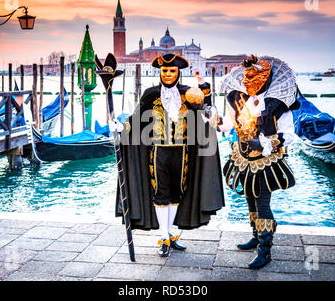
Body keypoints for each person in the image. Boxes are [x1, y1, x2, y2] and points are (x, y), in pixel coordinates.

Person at [109, 53, 224, 257]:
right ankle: (163, 237)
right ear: (160, 72)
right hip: (157, 152)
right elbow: (137, 120)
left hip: (182, 152)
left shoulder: (188, 93)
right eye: (165, 71)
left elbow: (203, 109)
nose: (169, 74)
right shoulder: (150, 94)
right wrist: (121, 127)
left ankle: (170, 235)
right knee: (161, 193)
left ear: (178, 73)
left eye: (172, 71)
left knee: (177, 192)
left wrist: (206, 102)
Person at [205, 55, 299, 269]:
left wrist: (266, 142)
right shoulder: (239, 99)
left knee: (262, 203)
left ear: (266, 78)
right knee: (250, 199)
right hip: (243, 158)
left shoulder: (279, 104)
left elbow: (290, 134)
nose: (249, 81)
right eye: (247, 76)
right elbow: (227, 126)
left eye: (254, 77)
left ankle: (265, 251)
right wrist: (210, 114)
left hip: (266, 160)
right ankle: (256, 236)